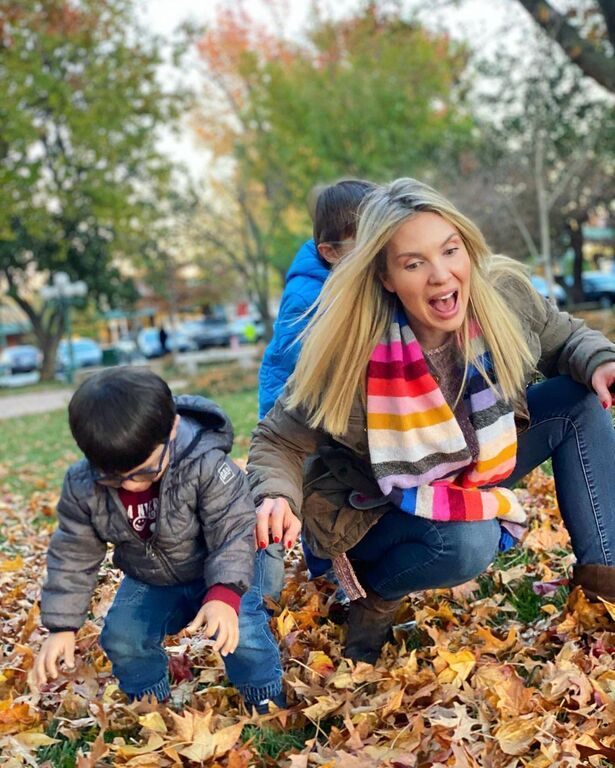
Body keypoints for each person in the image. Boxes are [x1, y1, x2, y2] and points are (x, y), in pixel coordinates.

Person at [247, 177, 615, 665]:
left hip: (468, 462)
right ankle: (374, 595)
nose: (441, 275)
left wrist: (600, 361)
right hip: (381, 498)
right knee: (468, 541)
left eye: (449, 251)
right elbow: (279, 438)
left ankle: (606, 575)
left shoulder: (502, 296)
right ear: (385, 276)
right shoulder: (348, 342)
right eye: (414, 263)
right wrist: (275, 493)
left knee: (576, 400)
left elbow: (564, 338)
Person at [32, 368, 283, 713]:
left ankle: (264, 694)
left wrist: (225, 593)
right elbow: (72, 555)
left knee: (243, 632)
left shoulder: (205, 463)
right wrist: (61, 626)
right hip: (152, 578)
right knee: (122, 636)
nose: (132, 486)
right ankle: (149, 703)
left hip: (221, 570)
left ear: (173, 429)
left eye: (146, 471)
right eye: (114, 478)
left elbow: (234, 529)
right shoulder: (83, 486)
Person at [258, 178, 377, 583]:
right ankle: (324, 569)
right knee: (316, 479)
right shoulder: (308, 297)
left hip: (328, 404)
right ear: (329, 252)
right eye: (367, 242)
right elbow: (306, 370)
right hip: (293, 405)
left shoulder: (350, 276)